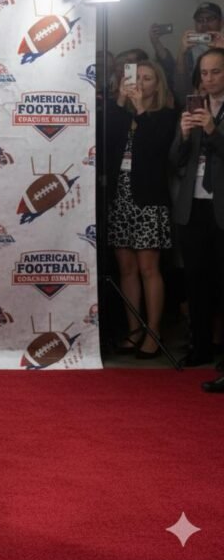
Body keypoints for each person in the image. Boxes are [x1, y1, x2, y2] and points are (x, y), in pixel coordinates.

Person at [105, 61, 177, 358]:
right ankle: (134, 330)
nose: (141, 83)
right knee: (127, 268)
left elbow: (158, 150)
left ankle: (153, 331)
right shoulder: (121, 114)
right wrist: (121, 102)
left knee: (149, 268)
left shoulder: (166, 116)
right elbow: (106, 141)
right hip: (120, 196)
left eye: (148, 79)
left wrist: (141, 110)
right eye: (137, 78)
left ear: (158, 85)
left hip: (148, 199)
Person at [170, 48, 224, 373]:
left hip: (221, 208)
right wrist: (185, 134)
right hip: (192, 208)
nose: (209, 78)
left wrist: (213, 131)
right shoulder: (193, 107)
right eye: (204, 72)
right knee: (196, 281)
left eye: (216, 71)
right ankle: (200, 348)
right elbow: (174, 160)